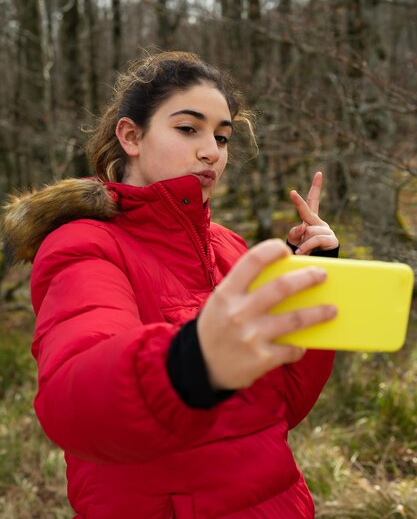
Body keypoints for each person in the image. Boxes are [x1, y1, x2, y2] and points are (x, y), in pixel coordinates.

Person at [2, 51, 339, 519]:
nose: (212, 152)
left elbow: (276, 409)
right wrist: (190, 361)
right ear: (131, 136)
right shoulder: (83, 245)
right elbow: (74, 405)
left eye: (222, 137)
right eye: (188, 129)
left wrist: (311, 284)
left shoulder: (226, 246)